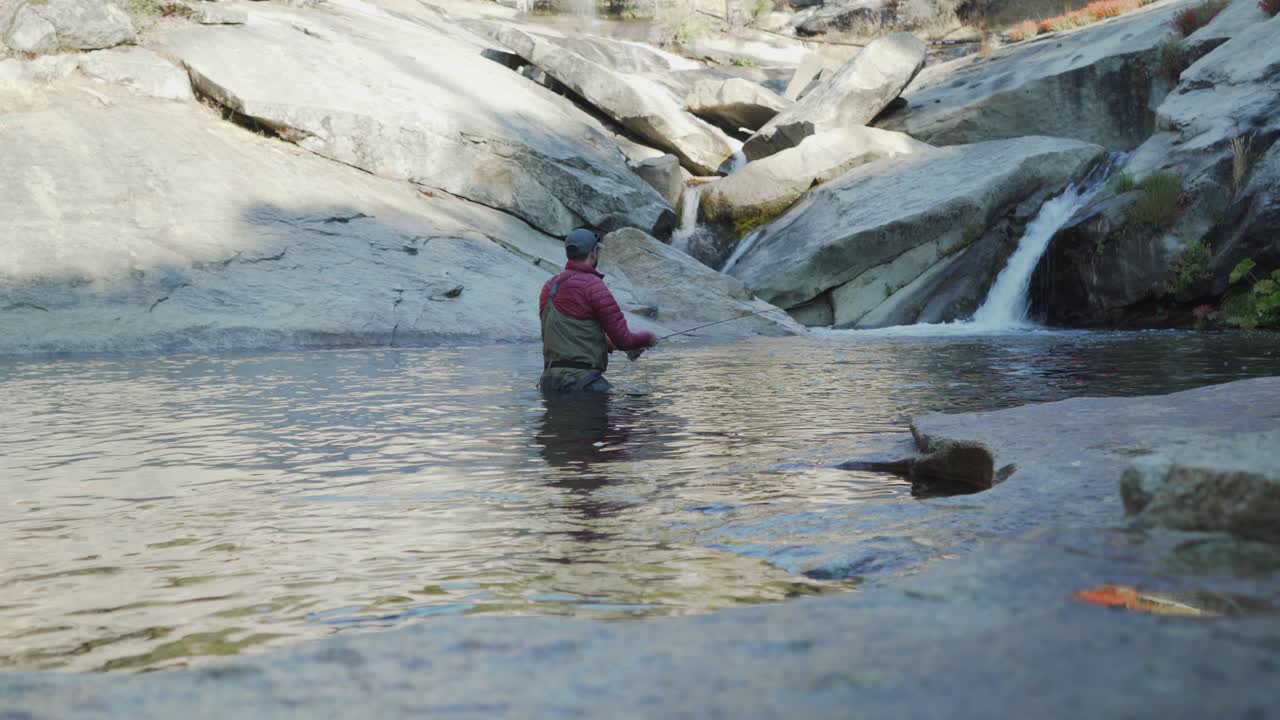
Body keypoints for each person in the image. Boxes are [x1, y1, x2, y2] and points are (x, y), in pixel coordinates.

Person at [538, 228, 656, 392]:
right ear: (593, 253)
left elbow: (572, 333)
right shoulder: (593, 286)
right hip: (583, 383)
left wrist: (610, 345)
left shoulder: (550, 286)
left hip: (549, 382)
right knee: (643, 410)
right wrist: (648, 338)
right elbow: (625, 341)